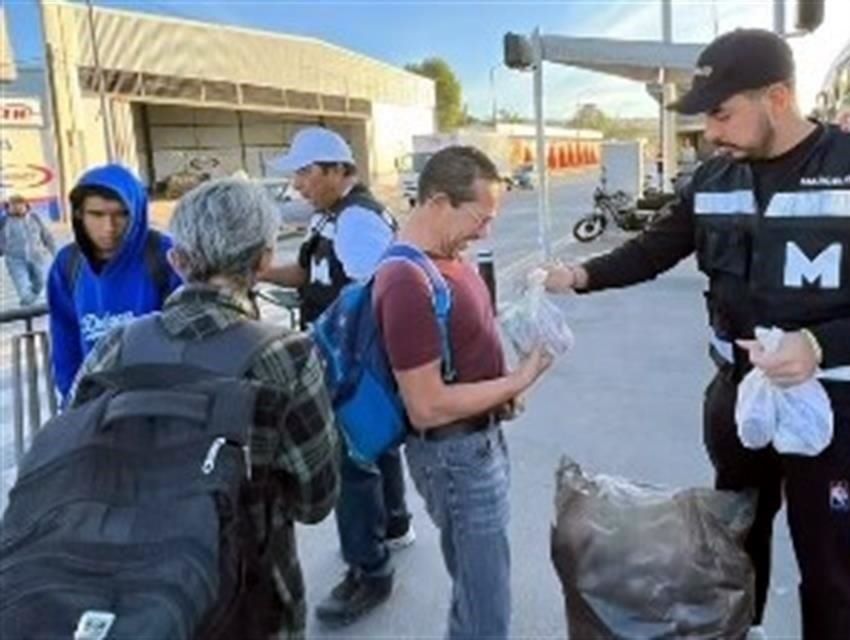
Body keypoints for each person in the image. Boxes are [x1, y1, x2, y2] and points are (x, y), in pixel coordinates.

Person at [543, 28, 850, 640]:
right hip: (738, 403)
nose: (710, 133)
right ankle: (746, 630)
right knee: (735, 543)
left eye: (721, 113)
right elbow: (654, 249)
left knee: (828, 565)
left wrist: (822, 346)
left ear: (778, 97)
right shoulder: (715, 179)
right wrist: (579, 273)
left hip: (836, 411)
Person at [70, 178, 341, 638]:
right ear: (263, 260)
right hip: (251, 598)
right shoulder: (287, 354)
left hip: (133, 593)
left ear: (177, 260)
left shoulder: (116, 346)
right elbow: (316, 500)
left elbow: (76, 461)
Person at [376, 145, 553, 639]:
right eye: (481, 216)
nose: (486, 230)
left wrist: (502, 391)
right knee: (485, 603)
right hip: (455, 457)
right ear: (437, 202)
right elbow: (426, 405)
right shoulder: (406, 280)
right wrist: (519, 379)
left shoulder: (446, 258)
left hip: (477, 444)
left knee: (482, 585)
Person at [260, 126, 413, 627]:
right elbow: (310, 276)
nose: (299, 184)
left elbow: (372, 296)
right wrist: (256, 272)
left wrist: (345, 364)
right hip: (347, 357)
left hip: (351, 360)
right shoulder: (331, 218)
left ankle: (369, 570)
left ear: (334, 170)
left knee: (350, 461)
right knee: (375, 443)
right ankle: (393, 524)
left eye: (305, 173)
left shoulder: (357, 222)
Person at [47, 164, 180, 399]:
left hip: (160, 402)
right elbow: (64, 337)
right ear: (79, 213)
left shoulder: (165, 255)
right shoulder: (68, 263)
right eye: (97, 215)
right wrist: (72, 399)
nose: (109, 227)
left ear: (138, 212)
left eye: (121, 214)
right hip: (96, 405)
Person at [0, 194, 56, 306]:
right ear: (9, 207)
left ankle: (28, 304)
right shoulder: (4, 222)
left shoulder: (34, 218)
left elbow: (46, 236)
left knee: (39, 284)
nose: (17, 209)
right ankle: (27, 306)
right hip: (15, 260)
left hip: (36, 257)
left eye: (20, 206)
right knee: (23, 289)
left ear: (25, 205)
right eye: (13, 206)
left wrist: (54, 252)